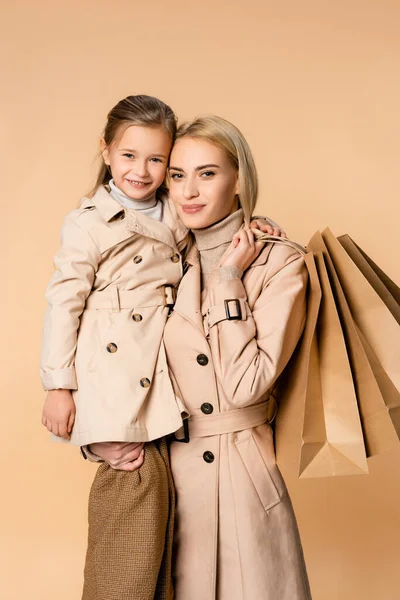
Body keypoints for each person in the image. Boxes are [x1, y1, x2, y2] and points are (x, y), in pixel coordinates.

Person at [40, 96, 280, 600]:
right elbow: (63, 306)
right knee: (127, 554)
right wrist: (60, 387)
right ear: (105, 152)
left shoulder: (176, 213)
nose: (143, 172)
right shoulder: (87, 223)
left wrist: (254, 225)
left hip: (177, 404)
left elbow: (212, 229)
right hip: (122, 387)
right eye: (129, 156)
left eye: (158, 162)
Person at [91, 115, 312, 599]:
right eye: (176, 174)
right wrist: (97, 439)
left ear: (239, 181)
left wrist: (231, 279)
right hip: (166, 480)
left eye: (207, 173)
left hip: (242, 478)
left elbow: (246, 384)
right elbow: (111, 353)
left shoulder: (281, 262)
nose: (188, 190)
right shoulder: (161, 257)